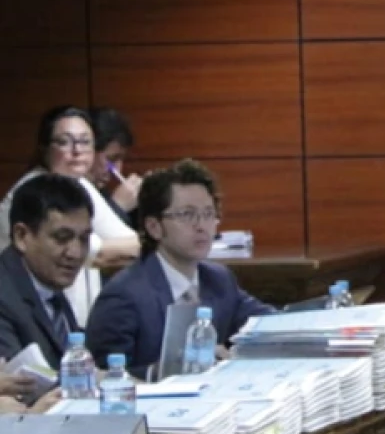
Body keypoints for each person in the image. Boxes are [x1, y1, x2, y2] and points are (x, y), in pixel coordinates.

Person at [87, 159, 273, 376]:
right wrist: (179, 369)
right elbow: (105, 377)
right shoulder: (124, 295)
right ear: (154, 227)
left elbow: (266, 322)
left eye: (208, 214)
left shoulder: (218, 278)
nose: (201, 226)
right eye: (187, 214)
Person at [0, 106, 140, 326]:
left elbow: (130, 243)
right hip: (23, 313)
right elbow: (102, 254)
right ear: (45, 149)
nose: (77, 151)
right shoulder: (33, 189)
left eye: (85, 142)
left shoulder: (79, 183)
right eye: (65, 142)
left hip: (70, 318)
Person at [0, 174, 94, 412]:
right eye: (62, 238)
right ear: (22, 236)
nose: (75, 253)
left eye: (84, 239)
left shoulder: (48, 285)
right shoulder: (4, 294)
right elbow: (15, 393)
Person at [89, 106, 142, 227]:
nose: (117, 170)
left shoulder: (101, 194)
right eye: (111, 159)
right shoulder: (69, 196)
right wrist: (117, 206)